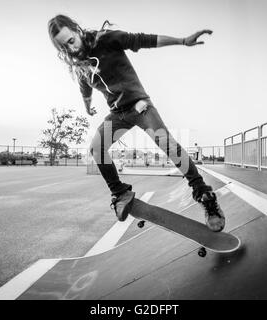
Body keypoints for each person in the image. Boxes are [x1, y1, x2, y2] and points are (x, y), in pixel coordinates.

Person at [48, 14, 225, 232]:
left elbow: (143, 40)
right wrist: (87, 106)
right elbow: (85, 89)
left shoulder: (106, 39)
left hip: (140, 106)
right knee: (96, 148)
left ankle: (205, 195)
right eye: (64, 47)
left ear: (77, 29)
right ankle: (120, 193)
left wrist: (182, 41)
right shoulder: (80, 65)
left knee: (167, 144)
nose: (71, 49)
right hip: (118, 113)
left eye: (71, 41)